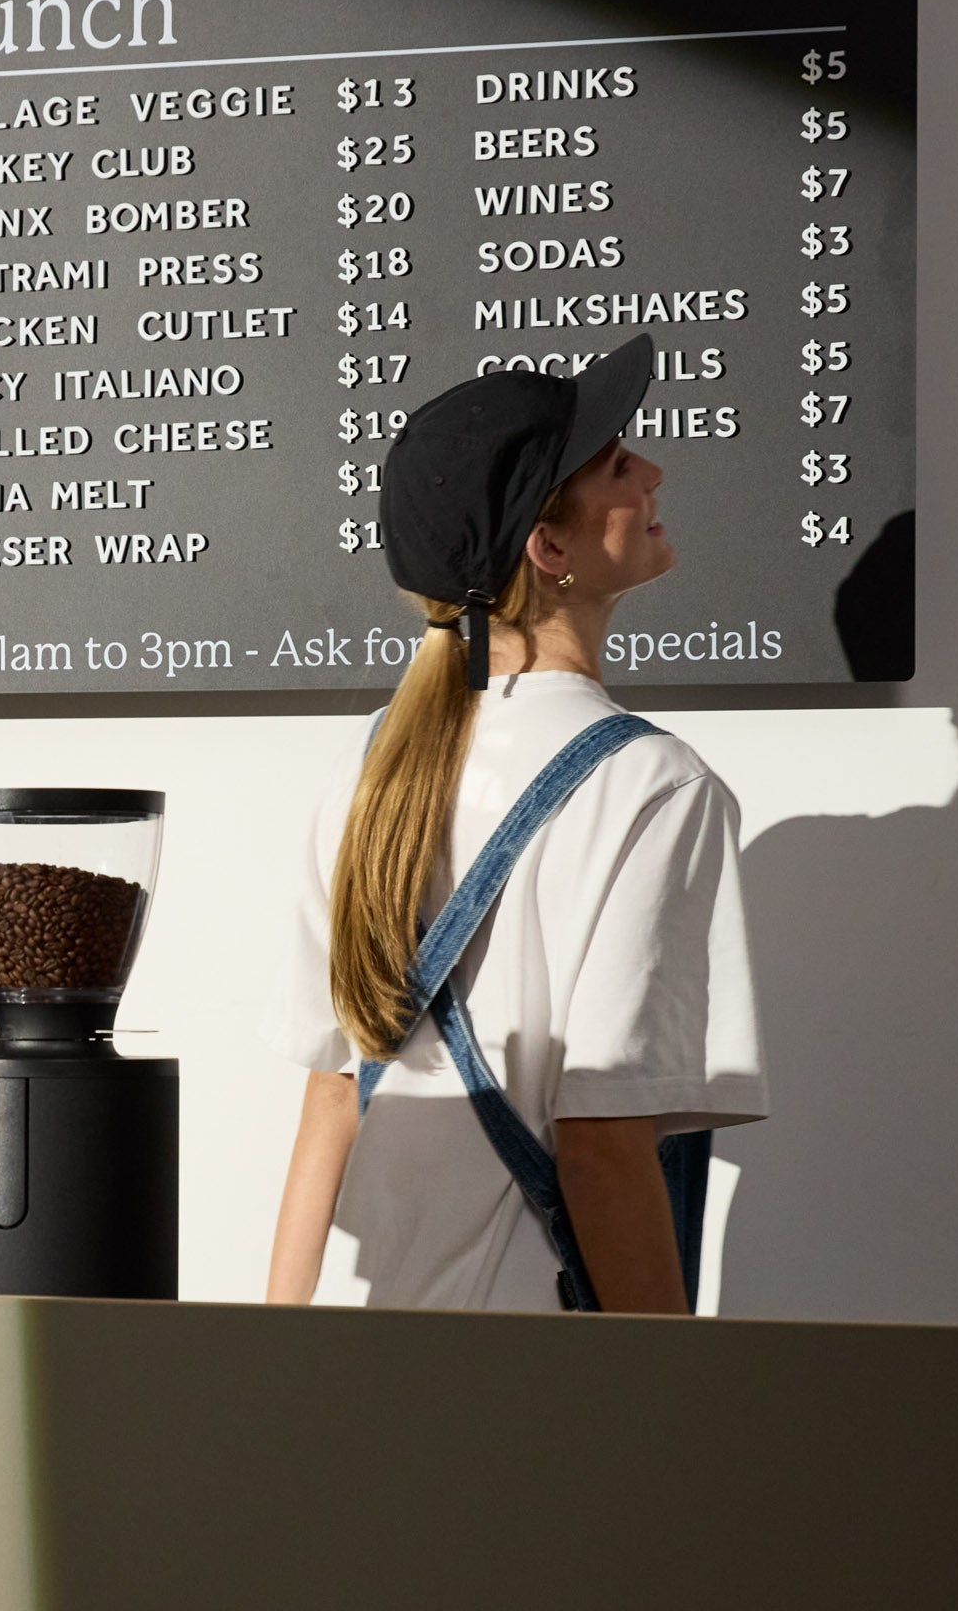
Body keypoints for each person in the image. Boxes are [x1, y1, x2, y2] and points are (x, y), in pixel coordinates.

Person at [263, 334, 767, 1314]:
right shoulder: (650, 786)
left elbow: (329, 1099)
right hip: (539, 1382)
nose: (654, 470)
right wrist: (679, 1403)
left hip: (367, 1367)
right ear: (548, 546)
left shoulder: (367, 766)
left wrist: (269, 1348)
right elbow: (604, 1143)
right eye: (619, 464)